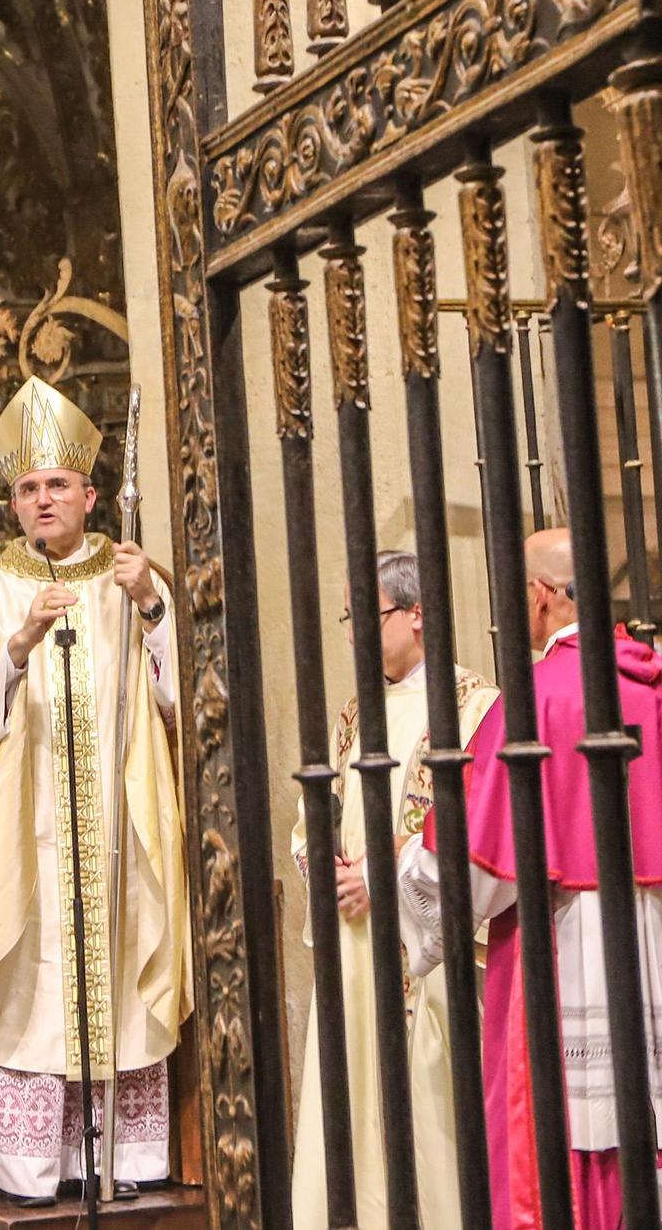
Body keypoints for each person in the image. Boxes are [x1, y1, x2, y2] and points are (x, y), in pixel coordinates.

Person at [0, 376, 190, 1204]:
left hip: (118, 821)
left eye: (58, 485)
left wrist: (153, 608)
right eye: (29, 487)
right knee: (24, 983)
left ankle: (119, 1163)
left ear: (90, 493)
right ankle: (31, 1165)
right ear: (13, 499)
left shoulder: (132, 576)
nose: (43, 499)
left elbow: (188, 694)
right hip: (22, 832)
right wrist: (17, 641)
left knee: (115, 977)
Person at [399, 527, 662, 1229]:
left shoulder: (537, 697)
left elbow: (472, 867)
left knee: (561, 1140)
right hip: (652, 943)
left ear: (541, 598)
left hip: (565, 944)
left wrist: (402, 866)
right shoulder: (651, 685)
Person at [290, 551, 497, 1230]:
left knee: (426, 1116)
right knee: (350, 1113)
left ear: (417, 614)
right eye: (348, 618)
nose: (352, 632)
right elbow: (315, 816)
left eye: (365, 615)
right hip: (350, 949)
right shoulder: (356, 714)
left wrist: (379, 877)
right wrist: (323, 865)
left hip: (424, 954)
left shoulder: (475, 706)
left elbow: (479, 828)